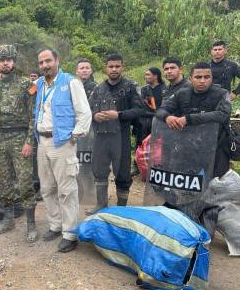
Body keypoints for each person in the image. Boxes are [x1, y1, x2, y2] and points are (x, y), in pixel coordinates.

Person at [35, 48, 91, 252]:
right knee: (47, 188)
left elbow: (84, 113)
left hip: (63, 143)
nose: (44, 65)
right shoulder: (39, 84)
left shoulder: (71, 82)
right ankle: (55, 224)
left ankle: (70, 233)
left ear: (57, 60)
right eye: (41, 63)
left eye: (48, 61)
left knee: (67, 190)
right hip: (42, 141)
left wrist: (74, 136)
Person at [0, 45, 38, 242]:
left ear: (14, 61)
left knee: (25, 182)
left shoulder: (26, 85)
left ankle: (31, 223)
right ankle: (8, 218)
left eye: (9, 59)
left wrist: (29, 141)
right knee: (3, 182)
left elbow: (33, 116)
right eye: (2, 59)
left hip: (20, 138)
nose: (5, 62)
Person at [87, 54, 143, 214]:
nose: (114, 69)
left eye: (117, 66)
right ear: (106, 68)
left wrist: (118, 115)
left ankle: (121, 209)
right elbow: (88, 110)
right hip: (101, 136)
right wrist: (94, 116)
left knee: (123, 173)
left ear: (122, 67)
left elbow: (140, 110)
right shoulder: (98, 89)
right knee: (99, 170)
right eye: (111, 66)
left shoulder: (131, 86)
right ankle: (101, 204)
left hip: (121, 136)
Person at [156, 62, 231, 178]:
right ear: (191, 78)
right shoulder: (182, 93)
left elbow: (223, 115)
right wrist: (168, 117)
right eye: (198, 77)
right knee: (186, 182)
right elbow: (160, 110)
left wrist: (189, 119)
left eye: (206, 77)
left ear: (212, 78)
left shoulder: (222, 93)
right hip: (188, 146)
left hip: (216, 147)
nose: (202, 81)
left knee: (215, 184)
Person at [131, 67, 166, 176]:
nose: (146, 77)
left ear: (156, 76)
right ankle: (137, 166)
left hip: (158, 120)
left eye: (148, 74)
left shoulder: (164, 89)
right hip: (144, 120)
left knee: (157, 145)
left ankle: (156, 169)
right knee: (140, 143)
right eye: (145, 74)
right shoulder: (144, 89)